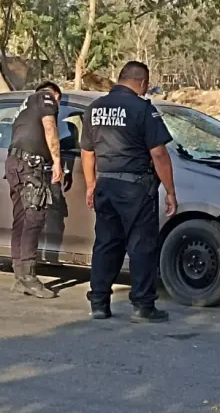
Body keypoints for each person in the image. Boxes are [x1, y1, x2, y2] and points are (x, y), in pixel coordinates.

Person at [80, 61, 178, 323]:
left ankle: (99, 302)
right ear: (143, 83)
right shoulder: (143, 109)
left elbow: (87, 152)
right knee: (141, 246)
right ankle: (143, 305)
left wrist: (91, 184)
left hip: (105, 184)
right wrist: (170, 190)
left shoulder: (95, 108)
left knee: (106, 243)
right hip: (135, 187)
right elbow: (158, 153)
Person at [4, 81, 63, 299]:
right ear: (55, 95)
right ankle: (28, 276)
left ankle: (19, 275)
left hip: (15, 165)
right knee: (34, 218)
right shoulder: (45, 97)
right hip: (30, 167)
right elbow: (49, 126)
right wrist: (57, 160)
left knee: (21, 219)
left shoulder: (25, 106)